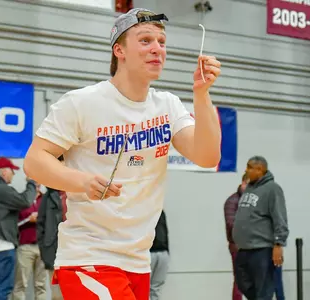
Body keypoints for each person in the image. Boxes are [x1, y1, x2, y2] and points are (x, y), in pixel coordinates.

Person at [23, 7, 222, 300]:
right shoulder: (81, 103)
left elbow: (207, 156)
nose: (157, 49)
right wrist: (81, 181)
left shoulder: (167, 106)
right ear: (119, 50)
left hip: (137, 260)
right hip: (88, 256)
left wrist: (202, 95)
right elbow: (34, 161)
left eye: (162, 42)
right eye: (145, 40)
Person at [232, 156, 289, 300]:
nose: (246, 170)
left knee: (264, 290)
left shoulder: (273, 189)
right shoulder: (249, 188)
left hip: (262, 249)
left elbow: (279, 217)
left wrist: (278, 244)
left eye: (250, 167)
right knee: (242, 283)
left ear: (260, 170)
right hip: (244, 249)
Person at [0, 158, 37, 300]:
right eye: (12, 171)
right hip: (2, 247)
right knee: (3, 288)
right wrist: (31, 183)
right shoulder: (1, 189)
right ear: (4, 172)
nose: (13, 174)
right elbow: (25, 201)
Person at [11, 183, 46, 300]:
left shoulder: (46, 199)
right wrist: (27, 220)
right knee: (21, 284)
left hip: (42, 247)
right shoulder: (20, 200)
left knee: (41, 285)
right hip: (25, 247)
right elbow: (11, 225)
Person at [37, 185, 66, 300]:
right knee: (57, 295)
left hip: (77, 250)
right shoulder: (49, 196)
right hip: (53, 250)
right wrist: (44, 248)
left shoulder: (79, 192)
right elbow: (41, 224)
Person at [223, 174, 249, 300]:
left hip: (254, 246)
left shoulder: (254, 201)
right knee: (239, 280)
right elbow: (232, 224)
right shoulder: (232, 201)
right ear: (243, 182)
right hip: (238, 247)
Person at [149, 210, 169, 300]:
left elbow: (165, 231)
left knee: (156, 287)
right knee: (144, 287)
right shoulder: (141, 209)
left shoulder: (161, 211)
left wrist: (167, 251)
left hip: (163, 251)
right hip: (148, 252)